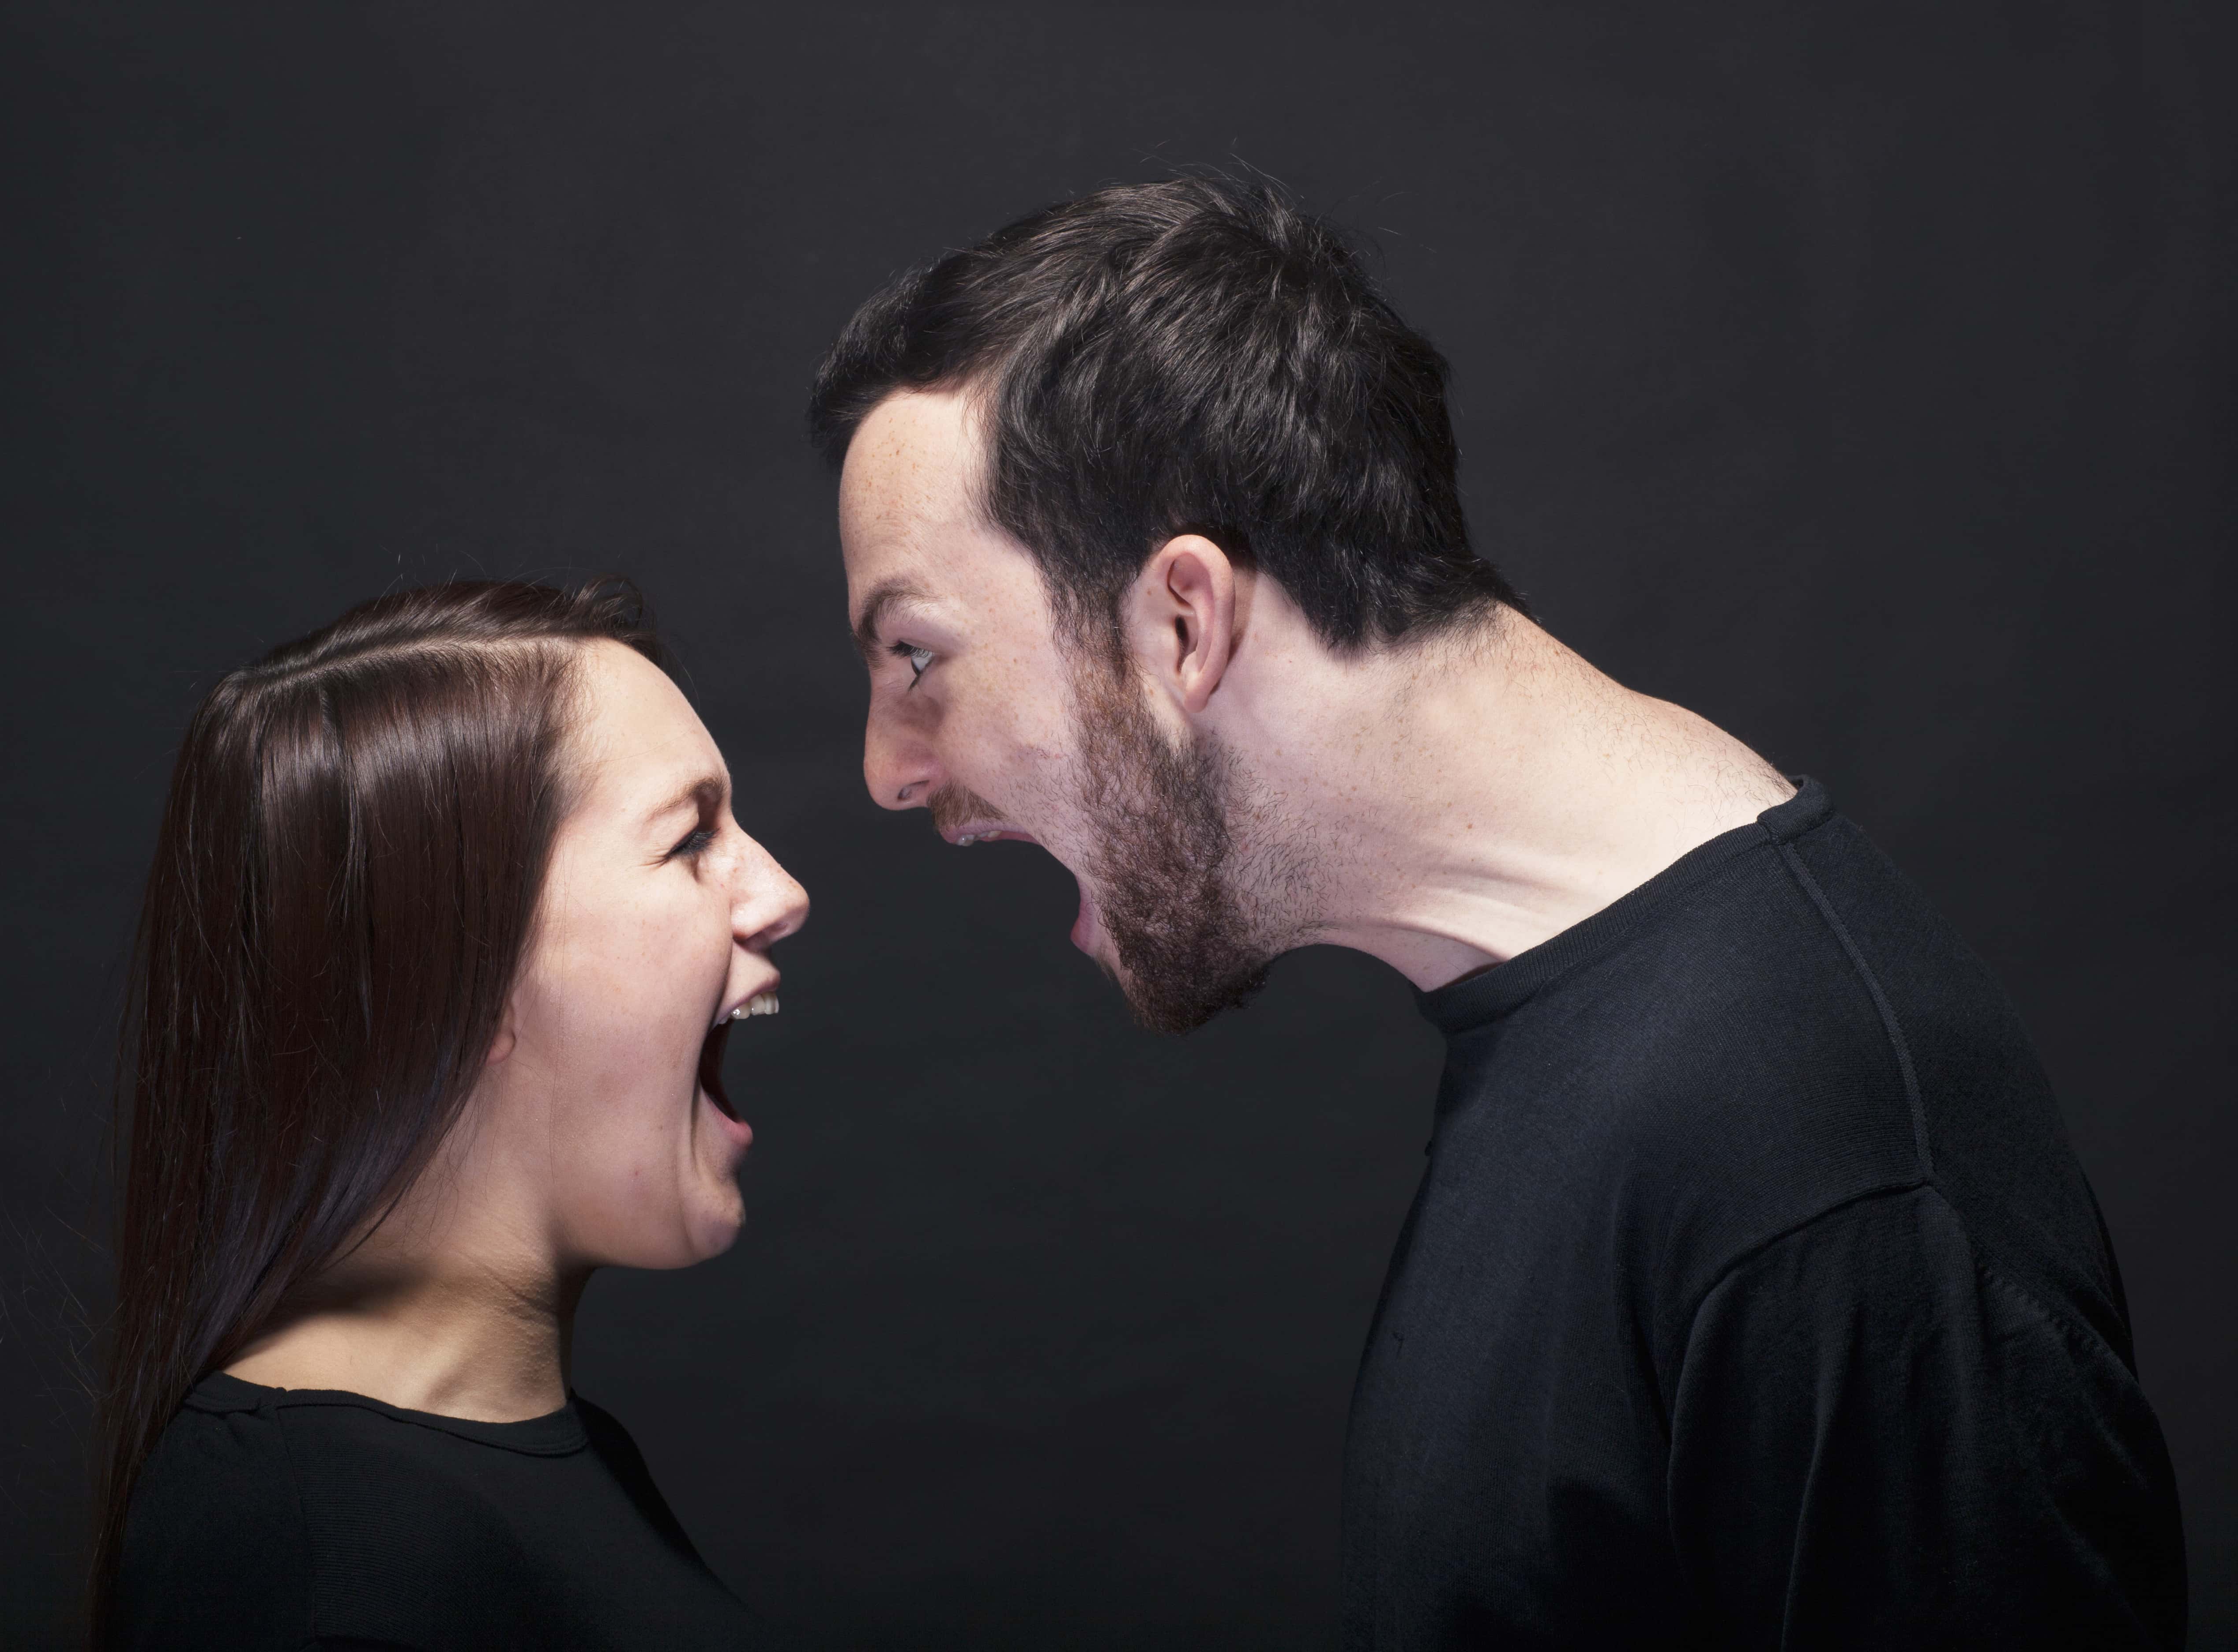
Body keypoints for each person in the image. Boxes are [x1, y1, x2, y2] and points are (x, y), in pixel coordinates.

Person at [811, 178, 2186, 1647]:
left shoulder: (1814, 1146)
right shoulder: (1580, 1031)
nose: (890, 772)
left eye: (913, 656)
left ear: (1180, 623)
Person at [93, 579, 806, 1652]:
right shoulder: (315, 1559)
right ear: (450, 978)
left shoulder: (534, 1462)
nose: (782, 891)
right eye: (690, 839)